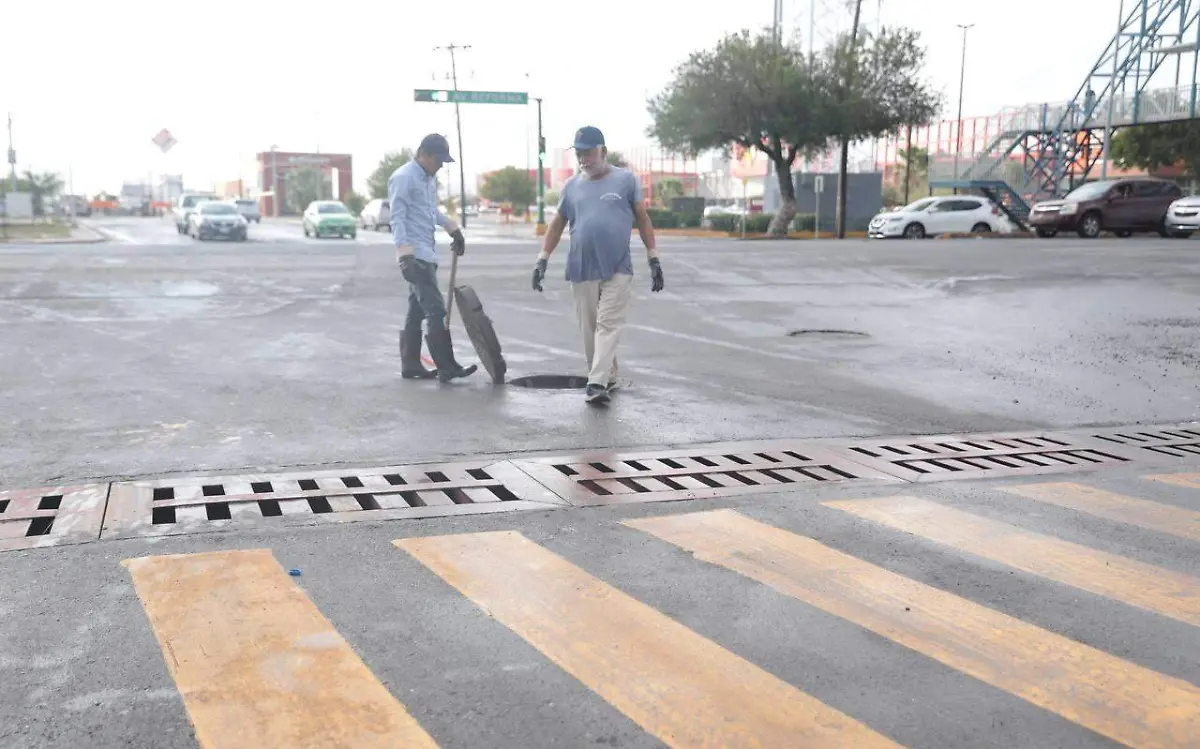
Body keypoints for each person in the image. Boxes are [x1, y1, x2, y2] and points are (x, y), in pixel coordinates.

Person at [532, 125, 664, 404]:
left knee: (608, 324)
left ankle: (595, 383)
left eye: (588, 152)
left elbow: (642, 219)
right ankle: (608, 377)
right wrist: (542, 260)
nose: (583, 159)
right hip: (581, 267)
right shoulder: (571, 187)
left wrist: (653, 257)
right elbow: (557, 225)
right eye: (579, 154)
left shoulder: (626, 181)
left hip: (618, 266)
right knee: (590, 330)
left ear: (603, 151)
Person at [389, 133, 477, 384]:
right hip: (415, 256)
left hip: (426, 253)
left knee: (416, 310)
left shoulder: (426, 178)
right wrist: (404, 256)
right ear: (423, 154)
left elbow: (428, 212)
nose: (440, 166)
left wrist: (453, 228)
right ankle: (447, 366)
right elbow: (397, 218)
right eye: (438, 160)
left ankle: (411, 364)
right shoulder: (404, 177)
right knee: (436, 310)